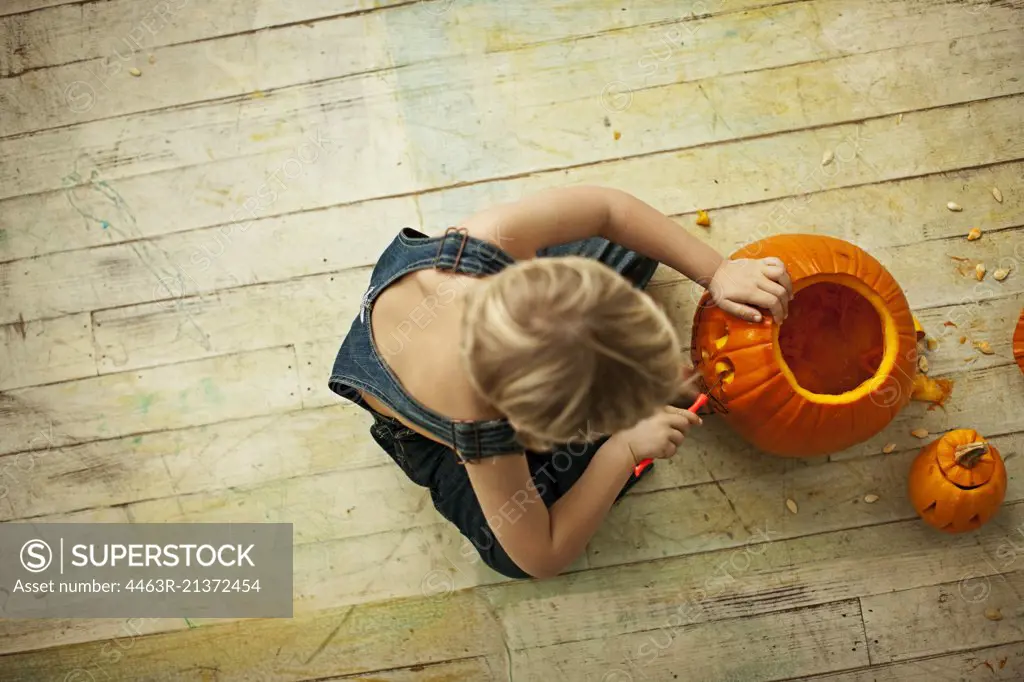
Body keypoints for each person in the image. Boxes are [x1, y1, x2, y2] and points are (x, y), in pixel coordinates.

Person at [328, 186, 792, 580]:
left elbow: (609, 210)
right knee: (511, 547)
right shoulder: (483, 423)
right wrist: (622, 450)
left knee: (631, 241)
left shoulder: (491, 241)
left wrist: (719, 271)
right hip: (423, 420)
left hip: (464, 328)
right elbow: (542, 556)